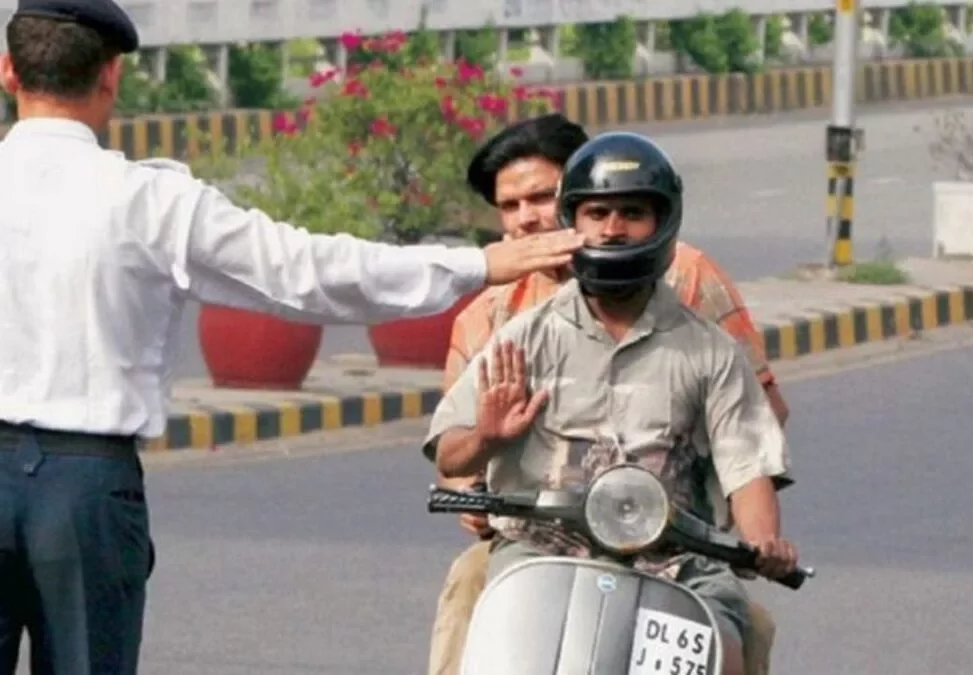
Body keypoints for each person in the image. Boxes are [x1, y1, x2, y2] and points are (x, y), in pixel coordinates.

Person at [0, 2, 585, 673]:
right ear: (112, 76)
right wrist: (477, 263)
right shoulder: (150, 200)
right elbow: (310, 273)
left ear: (8, 70)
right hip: (86, 489)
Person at [424, 131, 800, 675]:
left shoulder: (711, 347)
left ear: (663, 222)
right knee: (476, 619)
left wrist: (762, 539)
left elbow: (747, 466)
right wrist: (488, 437)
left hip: (680, 565)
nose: (612, 228)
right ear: (572, 221)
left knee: (734, 642)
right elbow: (451, 457)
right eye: (597, 212)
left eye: (632, 212)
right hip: (540, 551)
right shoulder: (517, 334)